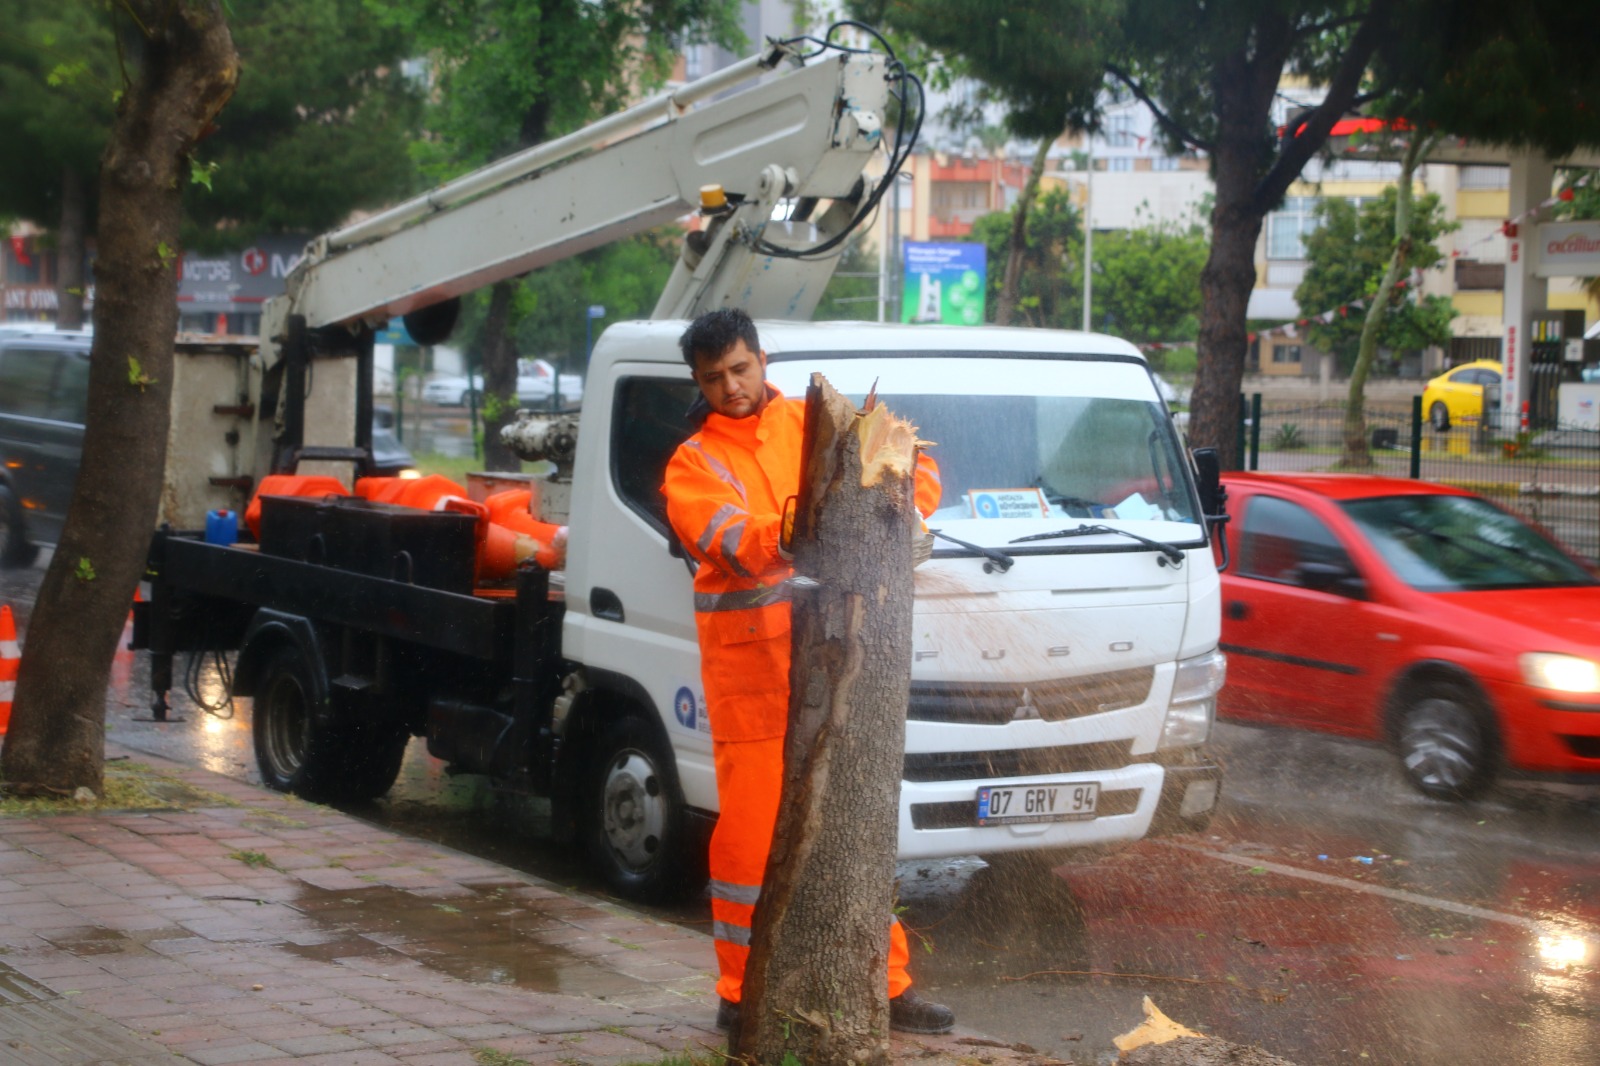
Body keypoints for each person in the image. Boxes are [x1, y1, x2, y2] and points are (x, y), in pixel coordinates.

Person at [661, 308, 953, 1035]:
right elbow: (725, 538)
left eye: (739, 369)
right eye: (713, 379)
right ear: (698, 383)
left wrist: (897, 512)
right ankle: (739, 991)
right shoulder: (694, 463)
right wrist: (797, 529)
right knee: (751, 842)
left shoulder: (822, 420)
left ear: (762, 359)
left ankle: (885, 986)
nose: (730, 387)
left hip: (838, 664)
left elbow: (914, 467)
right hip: (754, 680)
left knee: (852, 831)